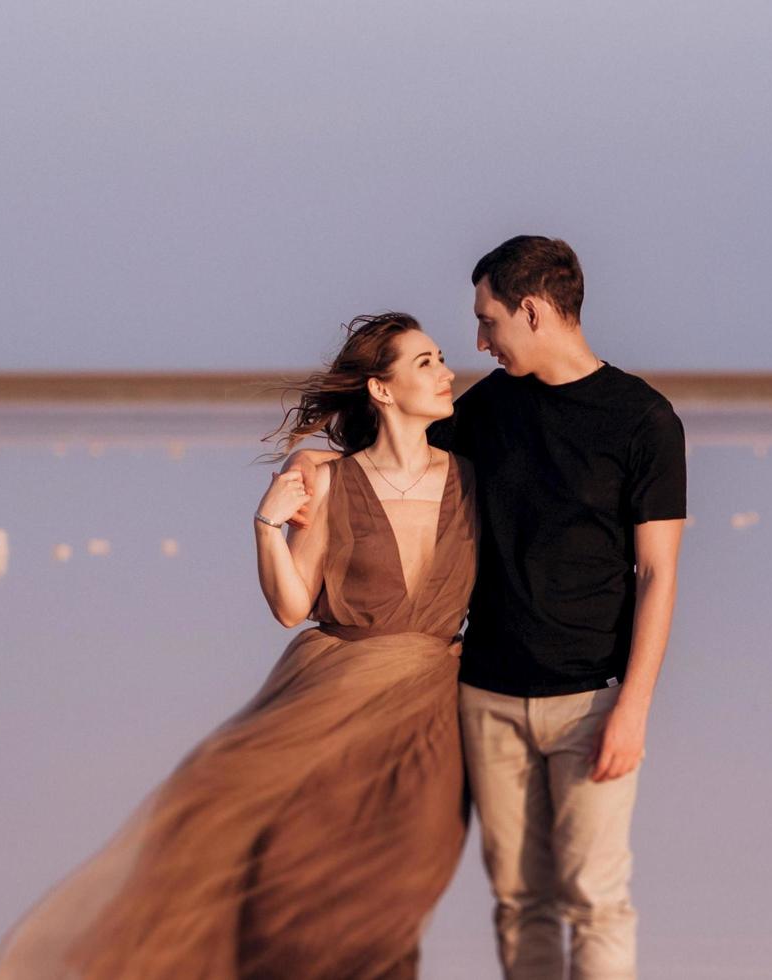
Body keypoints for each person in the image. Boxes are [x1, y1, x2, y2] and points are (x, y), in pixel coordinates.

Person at [0, 313, 477, 980]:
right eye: (426, 362)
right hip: (329, 698)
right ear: (381, 389)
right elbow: (290, 607)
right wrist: (266, 527)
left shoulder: (476, 481)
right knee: (298, 873)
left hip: (432, 712)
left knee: (402, 882)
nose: (447, 372)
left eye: (442, 358)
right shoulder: (329, 478)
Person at [298, 236, 687, 979]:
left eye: (489, 321)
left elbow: (659, 574)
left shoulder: (643, 420)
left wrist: (633, 707)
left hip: (592, 702)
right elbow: (387, 451)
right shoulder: (490, 409)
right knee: (518, 899)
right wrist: (305, 466)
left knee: (597, 898)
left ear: (533, 311)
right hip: (485, 696)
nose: (478, 341)